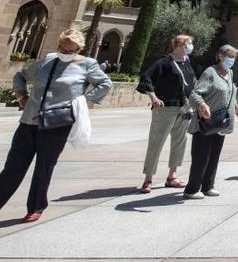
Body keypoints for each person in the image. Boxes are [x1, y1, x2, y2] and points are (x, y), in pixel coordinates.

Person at [1, 28, 112, 223]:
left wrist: (81, 102)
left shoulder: (87, 64)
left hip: (57, 124)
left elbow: (105, 84)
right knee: (13, 167)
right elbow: (21, 76)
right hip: (29, 121)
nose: (65, 52)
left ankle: (36, 207)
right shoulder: (48, 60)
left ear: (79, 48)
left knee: (44, 167)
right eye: (62, 48)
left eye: (70, 50)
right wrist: (21, 96)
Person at [136, 34, 196, 194]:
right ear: (179, 44)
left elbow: (191, 83)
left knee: (179, 142)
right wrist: (153, 97)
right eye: (189, 44)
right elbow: (146, 79)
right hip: (165, 108)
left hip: (184, 108)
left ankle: (172, 175)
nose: (191, 47)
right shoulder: (164, 62)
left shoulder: (187, 63)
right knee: (156, 142)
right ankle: (148, 178)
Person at [184, 45, 238, 199]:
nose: (231, 60)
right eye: (228, 57)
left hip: (221, 122)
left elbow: (230, 91)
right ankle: (192, 189)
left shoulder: (229, 73)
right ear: (219, 56)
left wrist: (236, 107)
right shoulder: (210, 73)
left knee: (214, 155)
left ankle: (208, 186)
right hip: (207, 121)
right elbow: (195, 94)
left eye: (233, 57)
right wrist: (202, 105)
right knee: (201, 157)